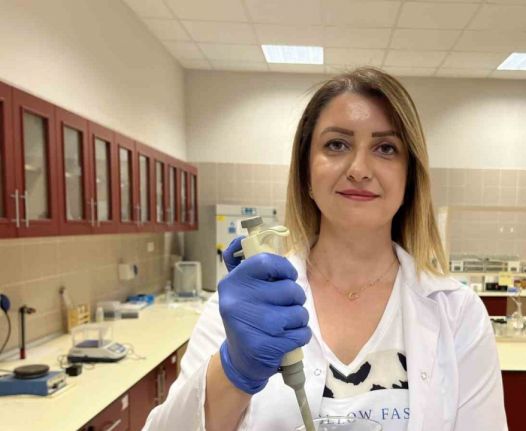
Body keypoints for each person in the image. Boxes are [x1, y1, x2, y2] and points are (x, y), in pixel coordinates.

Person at [144, 67, 507, 430]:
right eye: (337, 145)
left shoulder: (457, 313)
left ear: (409, 177)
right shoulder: (250, 309)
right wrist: (234, 370)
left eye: (386, 148)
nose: (359, 169)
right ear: (306, 172)